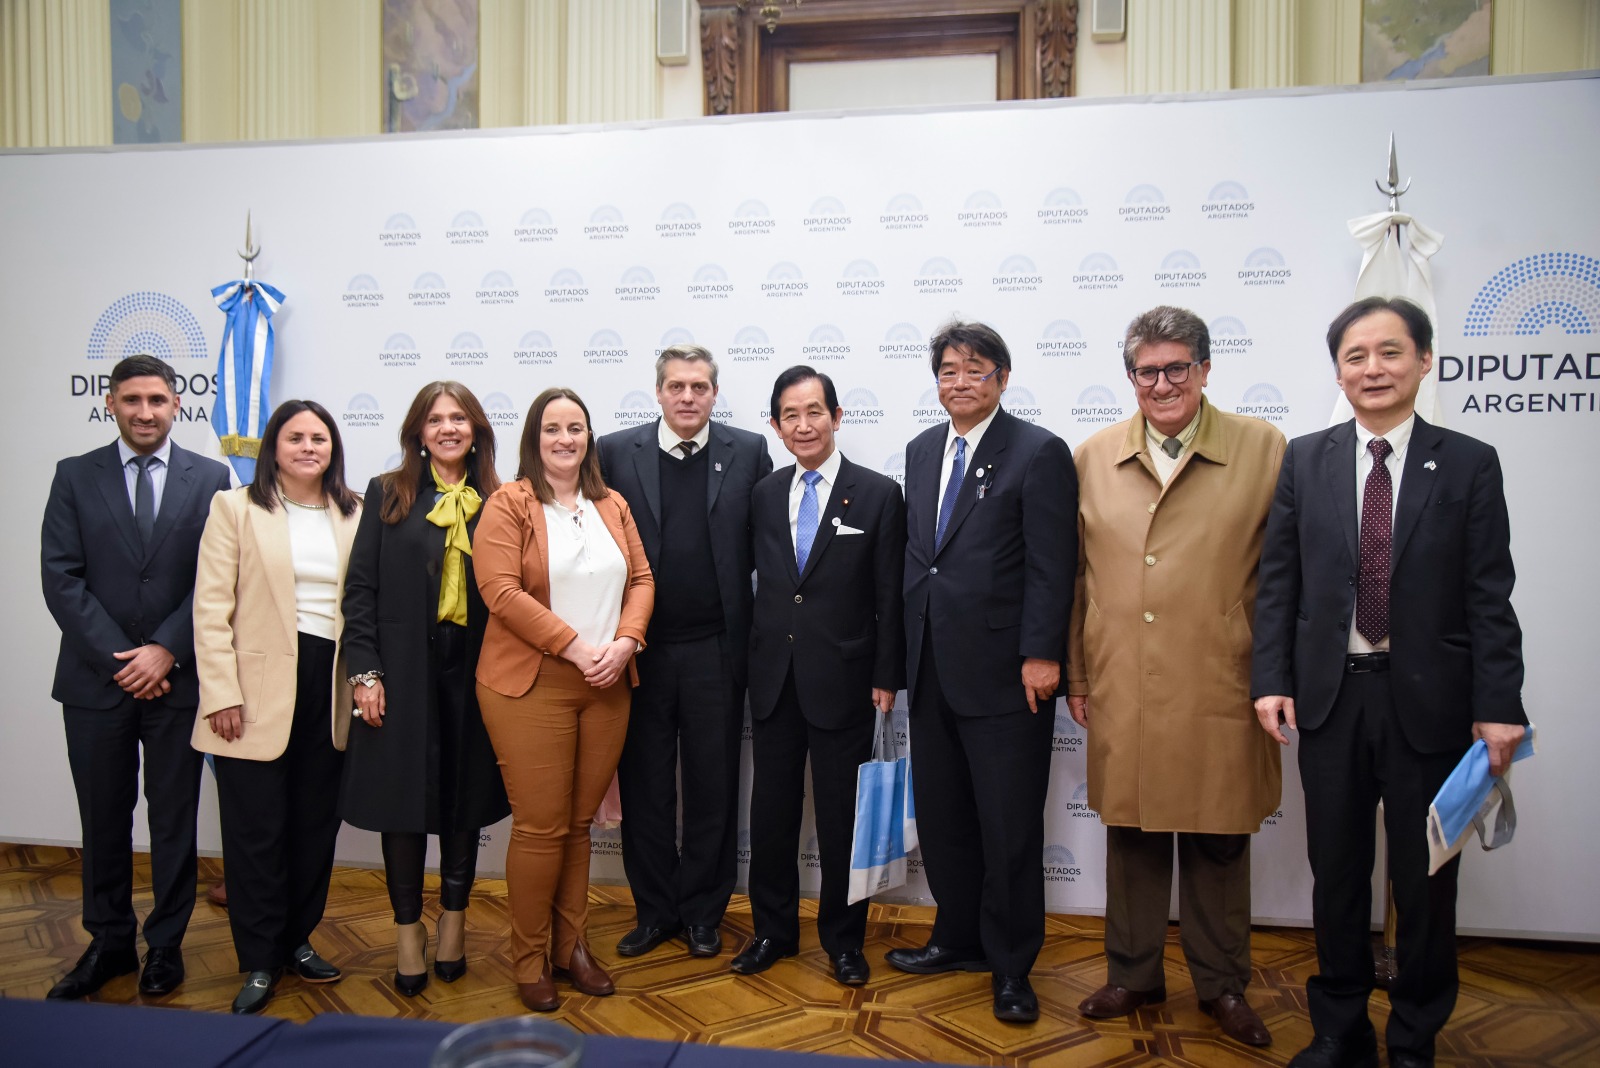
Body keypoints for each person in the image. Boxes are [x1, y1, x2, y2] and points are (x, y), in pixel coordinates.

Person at [1252, 297, 1528, 1068]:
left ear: (1424, 360)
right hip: (1332, 700)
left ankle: (1413, 1036)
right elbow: (1280, 583)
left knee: (1426, 882)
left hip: (1431, 706)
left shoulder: (1469, 460)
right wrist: (1270, 677)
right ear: (1337, 370)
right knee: (1336, 874)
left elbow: (1488, 593)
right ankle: (1338, 1027)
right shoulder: (1306, 457)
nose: (1372, 369)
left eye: (1390, 352)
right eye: (1355, 356)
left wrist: (1499, 706)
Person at [1067, 306, 1284, 1048]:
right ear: (1130, 376)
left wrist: (1273, 673)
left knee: (1219, 838)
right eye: (1146, 371)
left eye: (1176, 368)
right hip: (1122, 678)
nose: (1161, 384)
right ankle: (1133, 973)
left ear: (1205, 369)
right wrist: (1077, 673)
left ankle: (1223, 986)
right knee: (1130, 831)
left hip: (1221, 679)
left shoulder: (1264, 448)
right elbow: (1077, 579)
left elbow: (1284, 576)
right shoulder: (1092, 455)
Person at [891, 321, 1077, 1023]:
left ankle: (1010, 966)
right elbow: (921, 560)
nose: (959, 382)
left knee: (1007, 828)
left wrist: (1042, 653)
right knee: (944, 821)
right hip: (931, 664)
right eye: (947, 370)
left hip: (1007, 673)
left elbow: (1052, 563)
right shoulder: (919, 450)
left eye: (974, 370)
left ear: (1001, 376)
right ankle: (957, 937)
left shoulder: (1038, 452)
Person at [40, 354, 232, 1000]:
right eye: (131, 401)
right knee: (103, 816)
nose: (144, 412)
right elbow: (61, 580)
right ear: (111, 404)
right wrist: (128, 659)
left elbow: (217, 577)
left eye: (156, 400)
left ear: (177, 404)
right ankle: (110, 942)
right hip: (97, 684)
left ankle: (166, 947)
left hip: (179, 683)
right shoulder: (74, 476)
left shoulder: (211, 478)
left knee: (174, 818)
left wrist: (165, 652)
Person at [475, 387, 655, 1012]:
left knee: (578, 826)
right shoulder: (509, 504)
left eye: (575, 427)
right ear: (534, 437)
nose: (565, 439)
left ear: (589, 437)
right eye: (552, 428)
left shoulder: (612, 504)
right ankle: (529, 960)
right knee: (542, 827)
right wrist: (576, 646)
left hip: (607, 685)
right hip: (532, 684)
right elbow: (498, 590)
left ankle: (570, 946)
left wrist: (628, 640)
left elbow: (641, 578)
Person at [596, 345, 772, 960]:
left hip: (717, 651)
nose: (688, 396)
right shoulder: (616, 452)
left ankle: (703, 913)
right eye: (676, 386)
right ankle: (654, 913)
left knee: (712, 786)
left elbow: (767, 545)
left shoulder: (748, 451)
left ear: (715, 393)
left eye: (700, 386)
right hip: (638, 651)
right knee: (645, 786)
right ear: (659, 392)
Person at [733, 366, 906, 987]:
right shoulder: (762, 493)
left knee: (840, 823)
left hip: (848, 683)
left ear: (837, 416)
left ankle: (842, 941)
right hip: (774, 680)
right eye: (790, 415)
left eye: (814, 412)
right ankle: (772, 933)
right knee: (772, 817)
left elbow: (891, 595)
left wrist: (887, 677)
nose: (803, 425)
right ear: (775, 424)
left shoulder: (880, 494)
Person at [339, 381, 510, 996]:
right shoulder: (389, 493)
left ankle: (454, 926)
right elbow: (359, 591)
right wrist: (366, 673)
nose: (447, 428)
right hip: (403, 668)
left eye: (458, 418)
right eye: (435, 419)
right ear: (418, 431)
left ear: (477, 429)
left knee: (464, 802)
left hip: (477, 670)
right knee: (403, 805)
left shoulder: (502, 498)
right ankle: (408, 932)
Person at [191, 399, 362, 1015]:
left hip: (331, 687)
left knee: (315, 827)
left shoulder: (354, 512)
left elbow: (362, 606)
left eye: (320, 437)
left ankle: (297, 940)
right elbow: (210, 609)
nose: (309, 447)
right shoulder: (234, 507)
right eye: (295, 437)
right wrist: (221, 693)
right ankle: (259, 959)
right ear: (274, 446)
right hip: (254, 690)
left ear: (333, 448)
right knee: (256, 832)